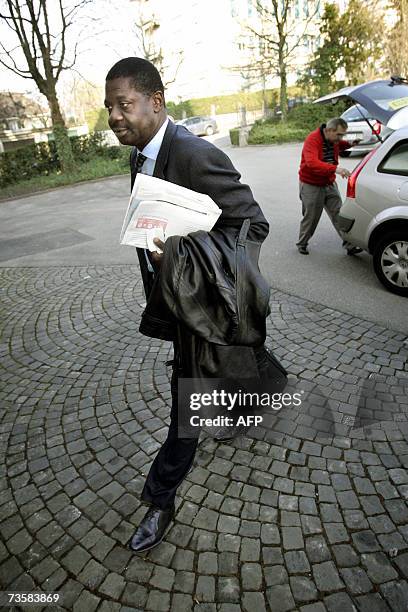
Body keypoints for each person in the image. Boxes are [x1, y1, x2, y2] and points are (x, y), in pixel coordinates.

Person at [104, 57, 270, 552]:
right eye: (109, 106)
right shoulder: (140, 153)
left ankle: (160, 500)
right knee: (238, 356)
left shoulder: (195, 155)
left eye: (124, 104)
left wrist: (185, 255)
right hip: (180, 303)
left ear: (155, 103)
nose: (114, 115)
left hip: (204, 297)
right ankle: (246, 403)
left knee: (187, 404)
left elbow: (252, 224)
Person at [296, 117, 363, 256]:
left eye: (342, 135)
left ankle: (349, 244)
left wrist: (350, 143)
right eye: (339, 134)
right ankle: (302, 243)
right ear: (328, 130)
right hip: (311, 184)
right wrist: (336, 169)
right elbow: (311, 163)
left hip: (329, 183)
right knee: (312, 217)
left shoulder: (334, 140)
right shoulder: (313, 139)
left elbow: (340, 145)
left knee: (339, 214)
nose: (340, 138)